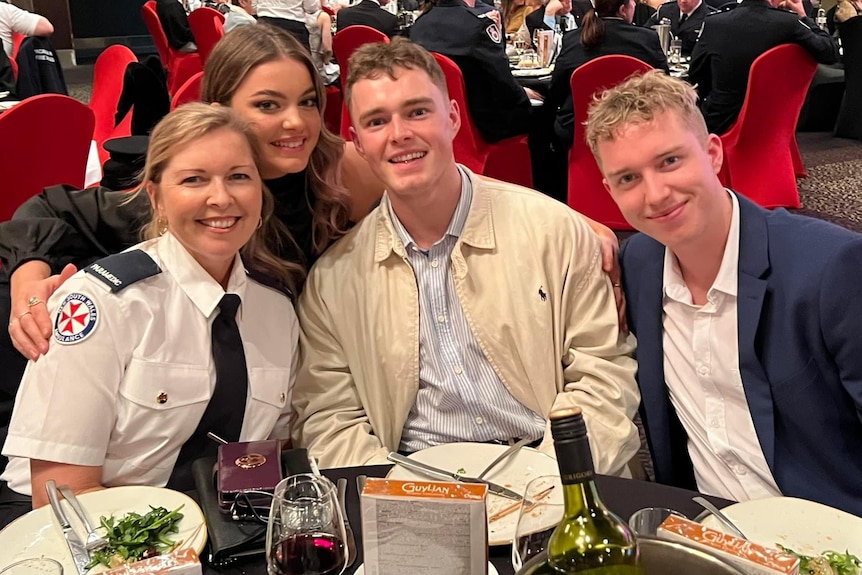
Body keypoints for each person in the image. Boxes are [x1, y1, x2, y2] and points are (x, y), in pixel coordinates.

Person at [291, 38, 640, 476]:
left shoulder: (553, 232)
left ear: (453, 117)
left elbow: (603, 374)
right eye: (377, 121)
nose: (400, 134)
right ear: (357, 142)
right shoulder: (334, 281)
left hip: (552, 467)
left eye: (418, 111)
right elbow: (328, 418)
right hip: (410, 478)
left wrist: (551, 480)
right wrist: (400, 493)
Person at [0, 24, 383, 401]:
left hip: (324, 382)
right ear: (221, 114)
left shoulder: (342, 173)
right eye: (268, 104)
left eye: (308, 101)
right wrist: (28, 282)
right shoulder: (192, 199)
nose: (296, 121)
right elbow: (51, 208)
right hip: (220, 391)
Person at [0, 104, 301, 528]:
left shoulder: (277, 309)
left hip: (220, 529)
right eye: (194, 179)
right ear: (156, 197)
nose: (221, 197)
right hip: (81, 529)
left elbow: (264, 455)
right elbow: (60, 494)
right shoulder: (102, 303)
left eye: (238, 176)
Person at [585, 70, 862, 516]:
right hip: (706, 531)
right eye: (628, 179)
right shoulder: (637, 265)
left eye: (670, 161)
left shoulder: (834, 268)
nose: (655, 194)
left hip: (832, 539)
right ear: (609, 191)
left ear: (713, 153)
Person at [688, 0, 838, 134]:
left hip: (720, 122)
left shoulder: (714, 23)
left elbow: (696, 72)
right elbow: (829, 53)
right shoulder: (789, 23)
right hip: (772, 122)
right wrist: (803, 15)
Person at [410, 0, 541, 143]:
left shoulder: (419, 25)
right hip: (484, 128)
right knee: (544, 113)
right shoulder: (479, 24)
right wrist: (523, 94)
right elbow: (504, 84)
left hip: (437, 121)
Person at [548, 0, 667, 148]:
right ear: (623, 9)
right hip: (638, 129)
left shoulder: (572, 39)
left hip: (580, 132)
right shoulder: (647, 39)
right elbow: (664, 87)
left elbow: (556, 91)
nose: (635, 5)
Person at [645, 0, 718, 55]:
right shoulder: (665, 10)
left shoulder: (711, 18)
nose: (683, 1)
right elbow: (645, 32)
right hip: (662, 62)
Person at [335, 0, 399, 37]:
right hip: (375, 59)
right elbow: (393, 51)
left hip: (345, 59)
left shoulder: (342, 14)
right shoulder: (390, 19)